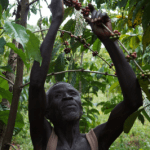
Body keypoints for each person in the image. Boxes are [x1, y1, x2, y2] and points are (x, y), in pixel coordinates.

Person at [29, 0, 143, 149]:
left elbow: (133, 102)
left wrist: (108, 40)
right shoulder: (43, 138)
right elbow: (36, 85)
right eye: (57, 96)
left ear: (81, 108)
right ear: (47, 112)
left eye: (72, 93)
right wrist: (57, 19)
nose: (68, 97)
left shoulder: (97, 140)